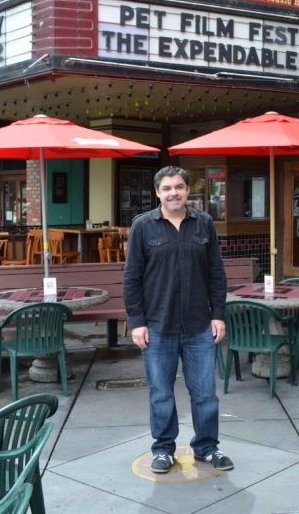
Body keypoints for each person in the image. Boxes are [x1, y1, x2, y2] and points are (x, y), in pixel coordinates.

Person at [123, 166, 232, 474]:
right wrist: (137, 322)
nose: (174, 192)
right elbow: (132, 278)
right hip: (158, 326)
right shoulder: (143, 227)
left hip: (199, 326)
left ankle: (207, 447)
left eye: (180, 187)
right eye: (168, 188)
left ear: (187, 191)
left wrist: (218, 315)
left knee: (205, 393)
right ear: (158, 192)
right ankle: (162, 449)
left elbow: (216, 274)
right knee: (160, 393)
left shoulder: (204, 224)